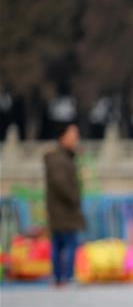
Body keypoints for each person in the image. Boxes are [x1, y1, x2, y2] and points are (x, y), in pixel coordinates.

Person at [43, 123, 85, 286]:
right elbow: (61, 184)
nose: (76, 139)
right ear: (62, 137)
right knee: (67, 243)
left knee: (60, 244)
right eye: (73, 135)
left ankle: (59, 276)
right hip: (63, 210)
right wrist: (74, 199)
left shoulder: (66, 157)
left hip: (62, 210)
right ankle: (65, 276)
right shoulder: (58, 159)